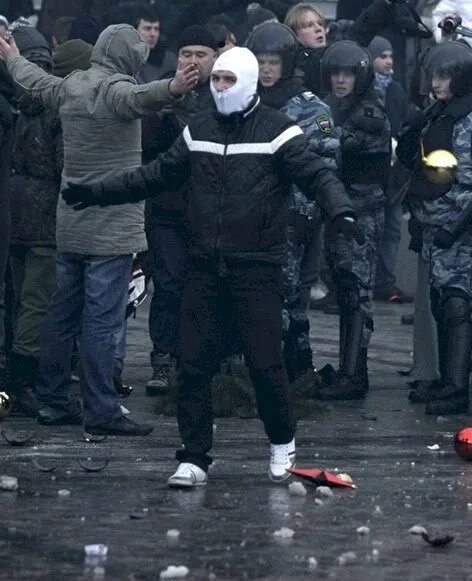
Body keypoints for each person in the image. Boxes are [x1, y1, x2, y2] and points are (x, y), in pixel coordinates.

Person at [59, 47, 358, 488]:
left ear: (249, 82)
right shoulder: (196, 128)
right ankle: (195, 456)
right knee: (193, 365)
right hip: (204, 266)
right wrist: (96, 192)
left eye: (227, 81)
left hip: (257, 267)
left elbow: (317, 174)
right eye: (215, 80)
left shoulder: (278, 131)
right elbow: (155, 175)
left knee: (265, 363)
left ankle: (282, 444)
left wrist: (340, 210)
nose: (219, 89)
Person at [0, 24, 200, 435]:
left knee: (61, 315)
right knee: (102, 322)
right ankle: (102, 410)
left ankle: (53, 401)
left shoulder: (71, 86)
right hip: (111, 227)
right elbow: (140, 97)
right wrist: (175, 87)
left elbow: (35, 80)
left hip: (70, 222)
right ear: (127, 59)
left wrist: (10, 57)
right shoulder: (115, 91)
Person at [398, 41, 472, 413]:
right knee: (441, 303)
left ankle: (457, 388)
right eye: (433, 75)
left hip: (456, 224)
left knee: (457, 303)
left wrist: (451, 227)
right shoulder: (438, 112)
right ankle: (444, 381)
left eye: (444, 77)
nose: (436, 84)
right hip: (432, 219)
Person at [247, 21, 339, 387]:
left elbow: (324, 167)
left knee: (286, 297)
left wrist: (301, 215)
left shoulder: (312, 110)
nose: (267, 69)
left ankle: (292, 367)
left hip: (290, 222)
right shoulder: (242, 102)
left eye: (273, 61)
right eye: (261, 61)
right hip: (246, 218)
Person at [141, 25, 219, 397]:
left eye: (200, 55)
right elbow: (147, 149)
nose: (191, 61)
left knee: (206, 287)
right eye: (186, 54)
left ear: (214, 58)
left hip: (211, 211)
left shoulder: (223, 93)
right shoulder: (160, 93)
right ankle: (163, 360)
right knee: (169, 286)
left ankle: (204, 359)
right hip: (168, 209)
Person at [315, 40, 391, 401]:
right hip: (336, 212)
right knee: (345, 291)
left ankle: (354, 373)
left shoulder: (370, 114)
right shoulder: (332, 107)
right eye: (336, 73)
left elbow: (339, 144)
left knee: (356, 292)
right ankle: (348, 370)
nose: (341, 80)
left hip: (361, 216)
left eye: (347, 74)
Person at [6, 24, 63, 417]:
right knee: (36, 302)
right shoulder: (54, 106)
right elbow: (62, 166)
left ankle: (17, 375)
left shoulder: (13, 104)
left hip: (13, 213)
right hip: (44, 217)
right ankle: (22, 380)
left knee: (17, 297)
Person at [368, 35, 414, 305]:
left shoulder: (396, 90)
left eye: (390, 57)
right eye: (382, 56)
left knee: (393, 227)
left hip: (394, 174)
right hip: (371, 172)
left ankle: (385, 282)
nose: (387, 61)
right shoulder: (364, 89)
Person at [134, 5, 177, 84]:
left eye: (156, 29)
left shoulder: (170, 60)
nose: (153, 34)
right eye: (147, 28)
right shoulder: (124, 60)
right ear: (135, 31)